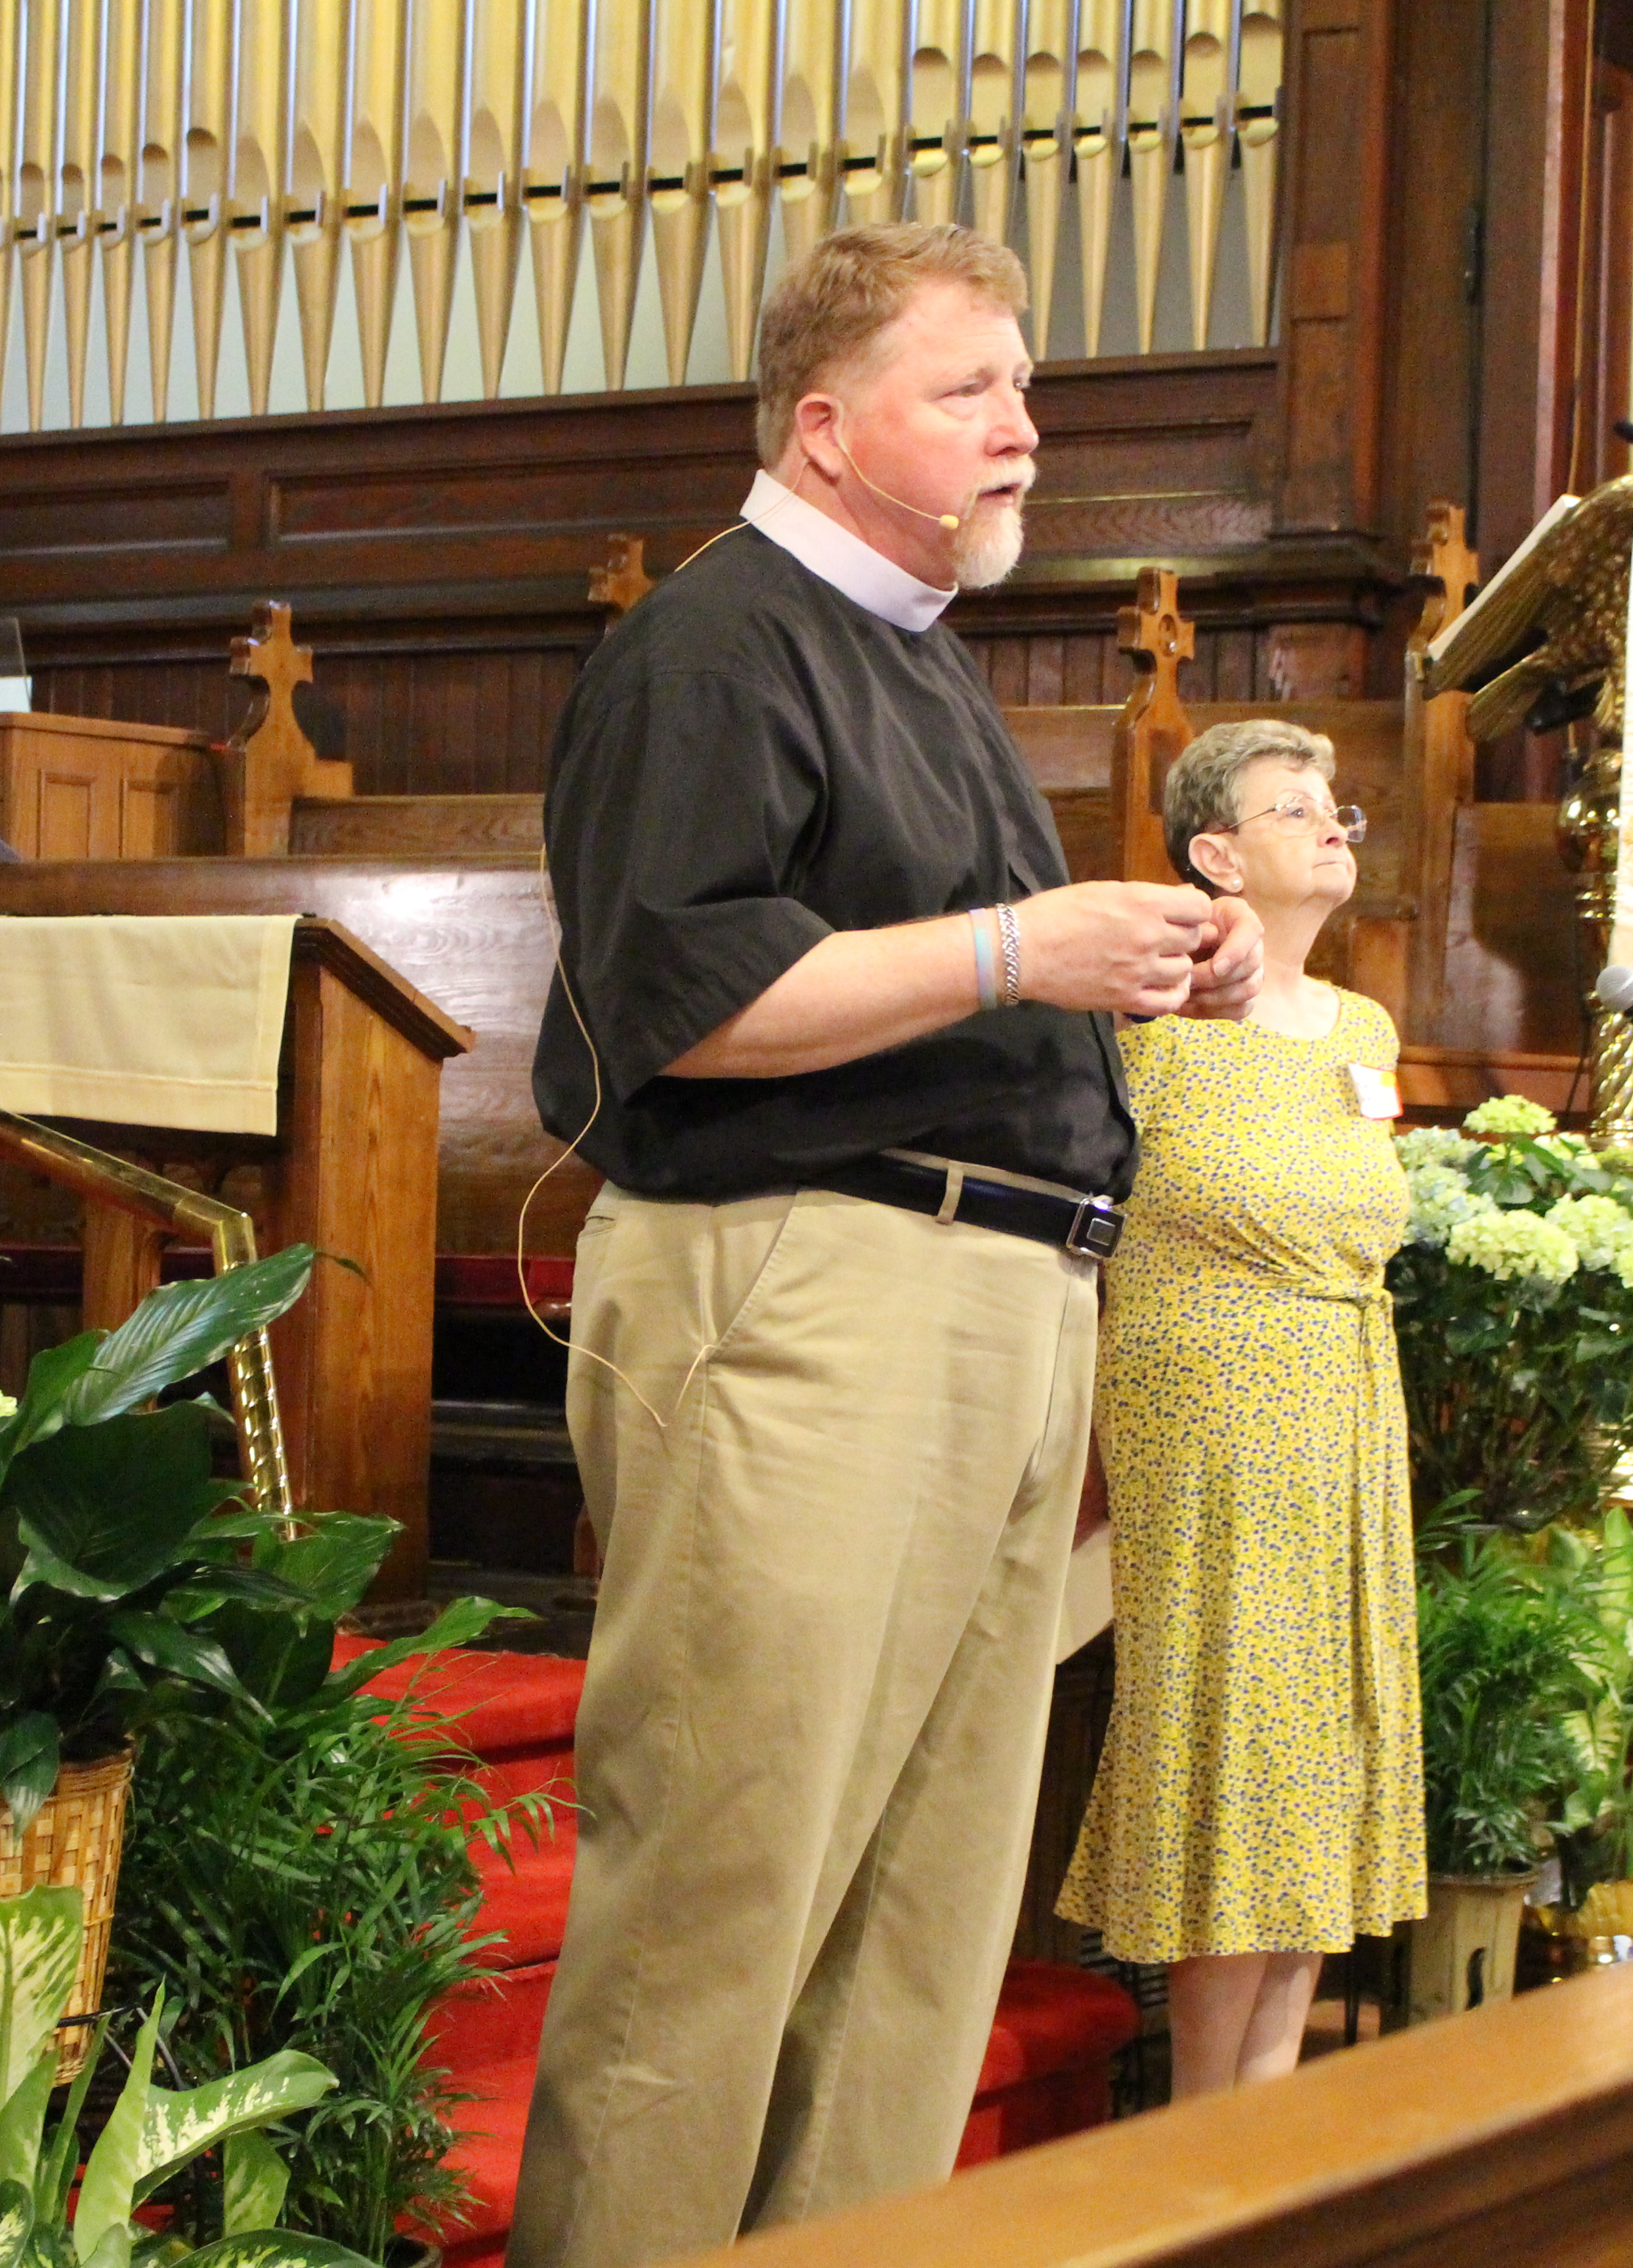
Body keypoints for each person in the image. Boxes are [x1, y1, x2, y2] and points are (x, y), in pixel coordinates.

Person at [513, 220, 1264, 2268]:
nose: (1026, 433)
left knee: (923, 1931)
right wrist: (1029, 943)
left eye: (1028, 391)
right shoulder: (714, 644)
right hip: (812, 1295)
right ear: (828, 429)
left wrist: (1143, 969)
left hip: (995, 1297)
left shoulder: (913, 655)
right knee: (724, 1908)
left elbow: (933, 979)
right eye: (973, 392)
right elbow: (697, 999)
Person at [1054, 717, 1425, 2099]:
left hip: (1342, 1410)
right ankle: (1206, 2134)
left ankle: (1263, 2134)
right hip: (1203, 1411)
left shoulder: (1366, 1027)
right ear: (1215, 853)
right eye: (1294, 807)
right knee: (1234, 1751)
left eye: (1339, 806)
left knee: (1317, 1755)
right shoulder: (1145, 1017)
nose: (1334, 824)